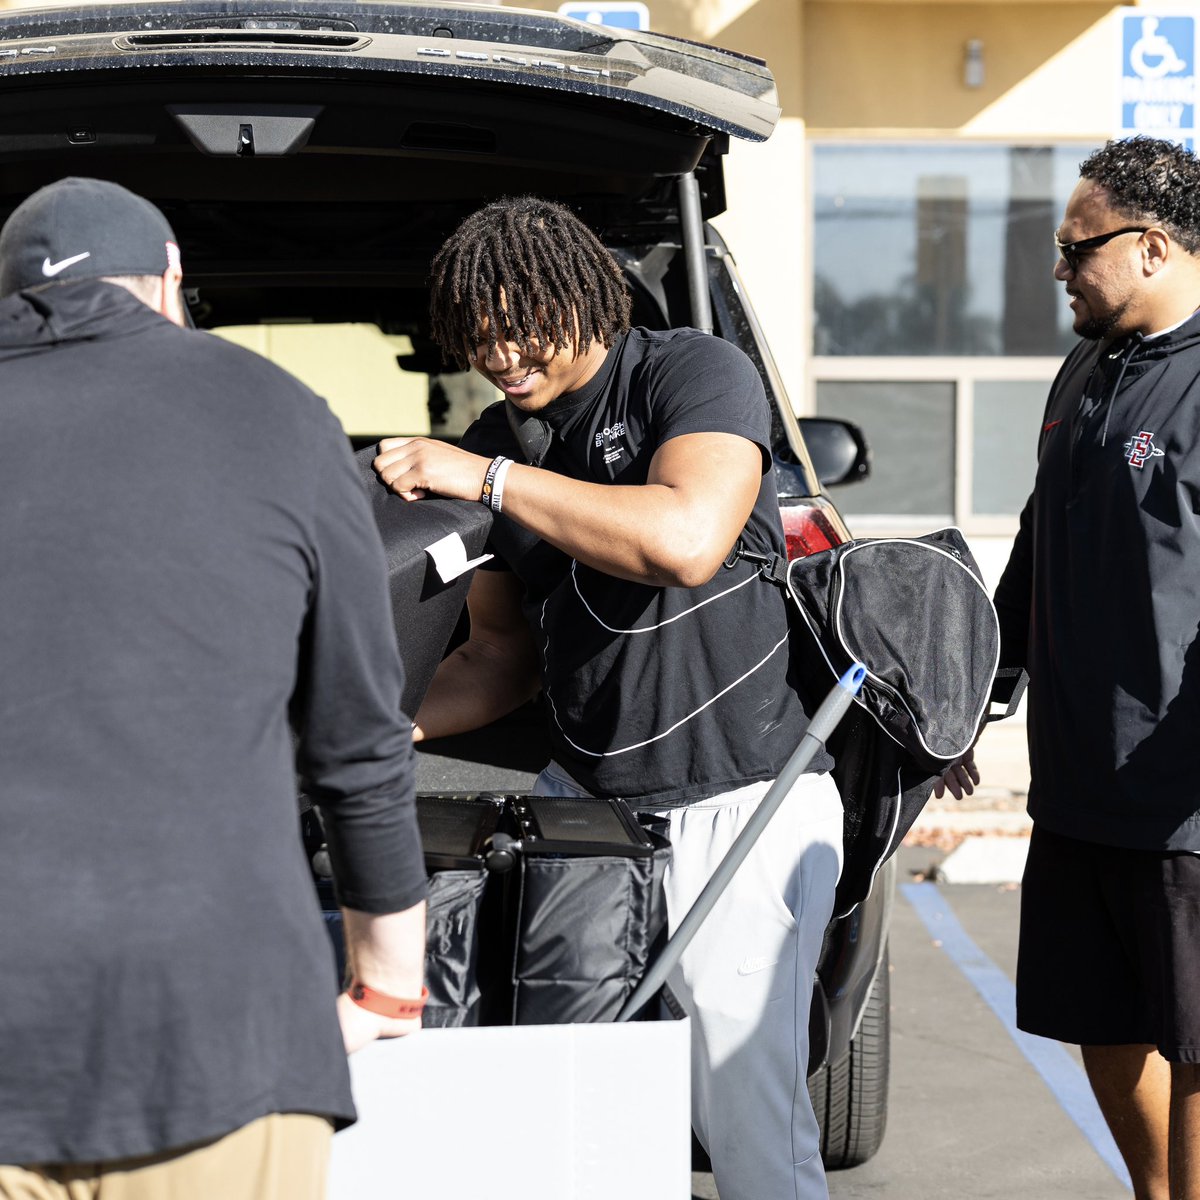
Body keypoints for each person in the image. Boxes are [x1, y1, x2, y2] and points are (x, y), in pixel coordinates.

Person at [372, 195, 844, 1200]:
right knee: (577, 1107)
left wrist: (488, 476)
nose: (500, 355)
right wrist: (371, 721)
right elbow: (501, 658)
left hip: (738, 798)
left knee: (747, 1114)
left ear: (579, 294)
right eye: (478, 335)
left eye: (519, 323)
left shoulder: (690, 373)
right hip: (587, 811)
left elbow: (683, 539)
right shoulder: (506, 433)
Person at [0, 177, 428, 1200]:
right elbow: (359, 739)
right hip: (221, 1024)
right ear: (171, 281)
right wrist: (387, 987)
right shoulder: (274, 410)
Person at [948, 136, 1200, 1200]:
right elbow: (1038, 538)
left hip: (1183, 802)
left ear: (1148, 246)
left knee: (1192, 1040)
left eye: (1074, 248)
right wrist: (978, 689)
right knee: (1097, 1018)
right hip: (1080, 783)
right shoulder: (1087, 368)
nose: (1060, 271)